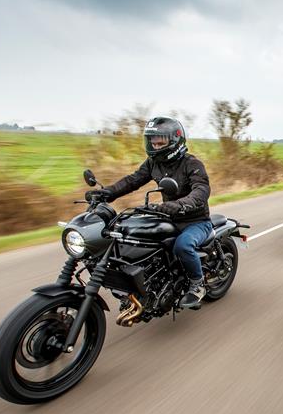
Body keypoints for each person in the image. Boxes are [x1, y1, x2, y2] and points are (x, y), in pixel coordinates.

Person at [85, 116, 212, 310]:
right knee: (129, 237)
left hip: (195, 221)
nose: (155, 144)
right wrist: (106, 193)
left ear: (175, 140)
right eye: (152, 140)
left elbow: (200, 192)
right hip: (167, 217)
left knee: (183, 246)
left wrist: (179, 205)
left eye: (160, 140)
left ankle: (197, 284)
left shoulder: (192, 164)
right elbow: (133, 180)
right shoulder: (153, 163)